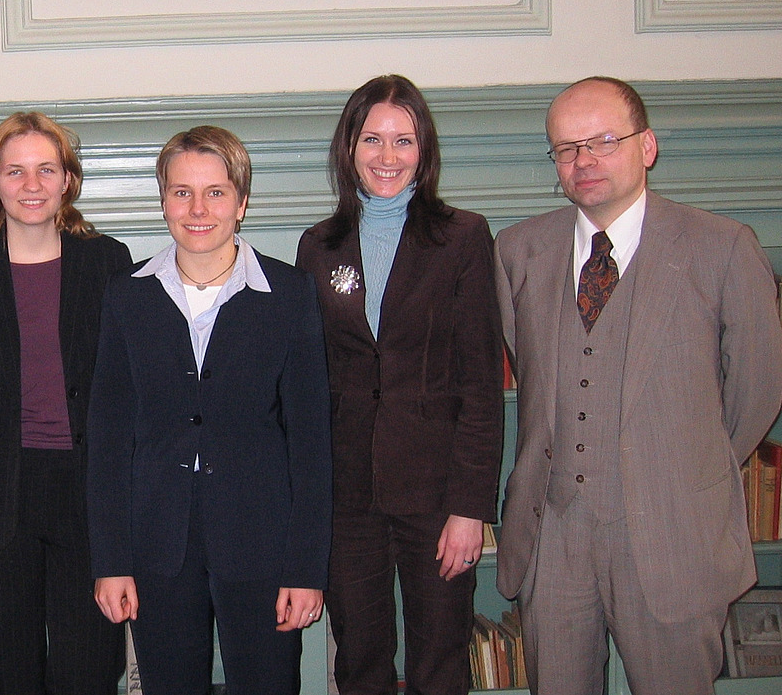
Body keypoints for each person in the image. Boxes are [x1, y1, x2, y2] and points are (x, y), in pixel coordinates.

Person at [494, 76, 782, 695]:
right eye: (566, 148)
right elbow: (534, 368)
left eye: (603, 141)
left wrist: (687, 467)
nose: (584, 161)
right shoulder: (518, 251)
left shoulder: (723, 247)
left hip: (673, 534)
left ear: (646, 146)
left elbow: (757, 388)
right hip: (554, 536)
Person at [87, 125, 333, 695]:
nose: (198, 209)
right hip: (157, 544)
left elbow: (312, 442)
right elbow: (108, 436)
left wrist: (305, 568)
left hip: (262, 542)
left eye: (216, 192)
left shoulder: (290, 294)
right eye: (181, 192)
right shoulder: (127, 294)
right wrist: (111, 558)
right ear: (163, 200)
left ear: (242, 202)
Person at [297, 75, 503, 694]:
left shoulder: (462, 237)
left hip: (438, 494)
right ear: (349, 148)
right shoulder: (320, 245)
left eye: (404, 141)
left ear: (424, 151)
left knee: (439, 661)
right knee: (360, 660)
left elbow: (481, 384)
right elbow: (313, 384)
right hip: (348, 496)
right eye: (373, 140)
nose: (388, 157)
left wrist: (470, 508)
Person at [0, 112, 130, 694]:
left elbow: (128, 397)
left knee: (88, 673)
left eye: (47, 169)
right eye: (15, 171)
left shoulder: (109, 265)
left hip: (87, 500)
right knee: (9, 676)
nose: (33, 184)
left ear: (68, 179)